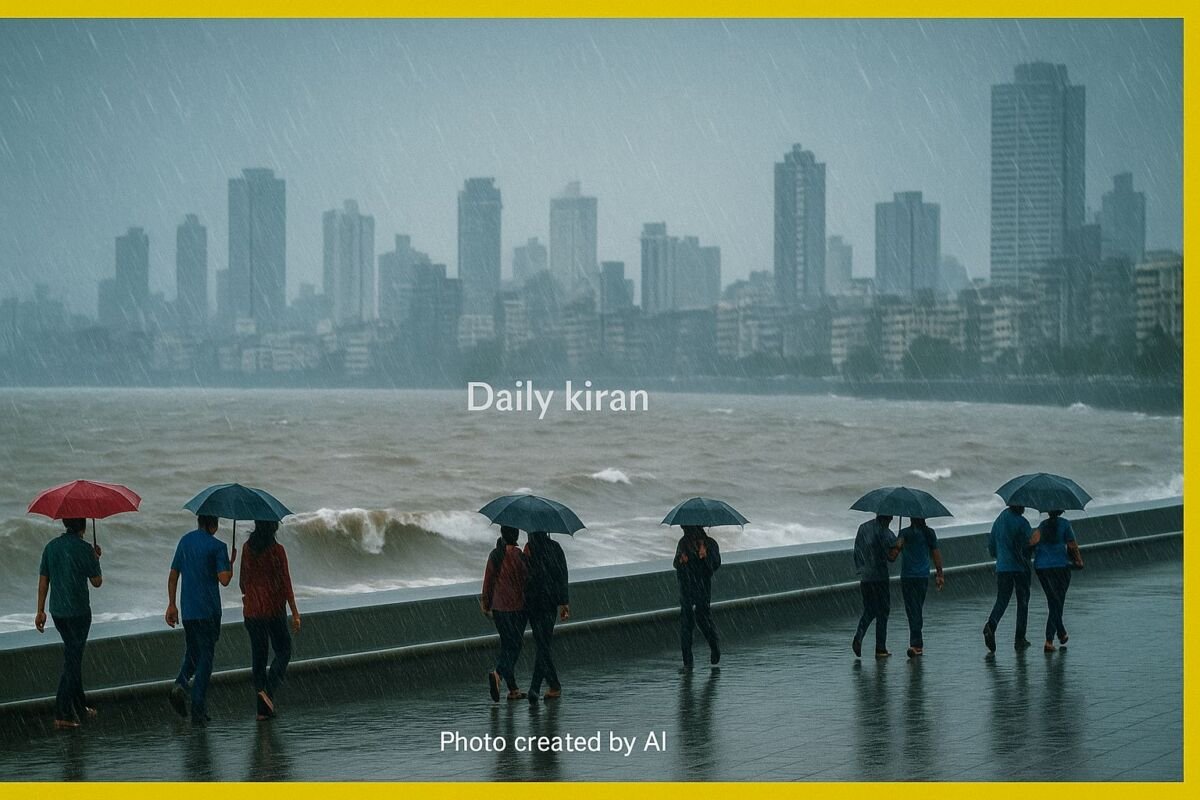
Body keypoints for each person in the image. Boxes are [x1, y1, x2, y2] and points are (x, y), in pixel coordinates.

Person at [166, 514, 234, 725]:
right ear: (214, 524)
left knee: (193, 653)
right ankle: (197, 707)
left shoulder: (185, 542)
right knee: (206, 658)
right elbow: (224, 580)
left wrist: (171, 604)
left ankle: (180, 684)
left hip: (189, 610)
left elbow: (173, 575)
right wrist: (230, 564)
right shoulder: (218, 547)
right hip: (208, 611)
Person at [35, 518, 103, 729]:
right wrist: (95, 558)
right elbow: (97, 582)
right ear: (83, 527)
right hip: (79, 613)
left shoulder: (51, 547)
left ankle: (79, 706)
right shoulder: (85, 549)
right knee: (73, 661)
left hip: (58, 612)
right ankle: (62, 713)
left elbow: (44, 580)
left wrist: (40, 611)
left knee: (73, 656)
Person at [239, 520, 301, 720]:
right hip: (273, 610)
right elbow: (286, 583)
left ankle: (262, 710)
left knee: (259, 657)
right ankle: (268, 690)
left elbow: (242, 583)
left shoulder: (247, 549)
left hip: (252, 611)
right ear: (274, 527)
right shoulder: (277, 551)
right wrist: (295, 612)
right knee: (284, 650)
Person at [480, 526, 528, 701]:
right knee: (514, 647)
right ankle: (498, 674)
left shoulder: (495, 554)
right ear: (516, 535)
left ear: (502, 534)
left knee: (507, 646)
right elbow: (526, 580)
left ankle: (513, 689)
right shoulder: (519, 555)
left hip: (499, 608)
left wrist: (486, 604)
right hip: (517, 608)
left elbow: (488, 581)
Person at [983, 504, 1037, 653]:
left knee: (1002, 600)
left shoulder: (999, 520)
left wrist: (1001, 556)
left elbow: (991, 546)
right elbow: (1028, 545)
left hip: (1003, 567)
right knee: (1023, 601)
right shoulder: (1022, 522)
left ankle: (991, 625)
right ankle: (1020, 638)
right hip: (1020, 568)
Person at [523, 530, 569, 702]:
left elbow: (524, 575)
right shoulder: (555, 548)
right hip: (549, 602)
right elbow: (562, 575)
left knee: (541, 643)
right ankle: (552, 685)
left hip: (533, 602)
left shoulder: (529, 549)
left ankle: (536, 687)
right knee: (544, 644)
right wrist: (564, 602)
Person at [890, 517, 945, 658]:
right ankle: (916, 644)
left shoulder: (904, 533)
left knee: (912, 610)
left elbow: (893, 555)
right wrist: (939, 573)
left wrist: (895, 546)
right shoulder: (929, 533)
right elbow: (935, 553)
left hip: (907, 576)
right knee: (917, 608)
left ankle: (916, 644)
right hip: (922, 576)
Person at [1033, 510, 1083, 652]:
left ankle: (1061, 632)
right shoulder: (1064, 524)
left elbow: (1032, 542)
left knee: (1053, 601)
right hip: (1060, 567)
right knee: (1057, 601)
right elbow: (1072, 545)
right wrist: (1079, 561)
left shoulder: (1042, 525)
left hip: (1042, 567)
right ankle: (1049, 640)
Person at [673, 525, 722, 669]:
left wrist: (705, 557)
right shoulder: (683, 543)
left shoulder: (710, 544)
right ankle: (687, 661)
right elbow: (676, 563)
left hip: (702, 588)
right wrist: (681, 560)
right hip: (686, 588)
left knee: (703, 618)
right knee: (686, 624)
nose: (685, 532)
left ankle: (714, 646)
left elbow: (715, 565)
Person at [852, 514, 897, 658]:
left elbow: (857, 551)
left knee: (870, 609)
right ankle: (880, 648)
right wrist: (898, 546)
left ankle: (859, 636)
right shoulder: (886, 533)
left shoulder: (863, 528)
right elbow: (891, 557)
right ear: (888, 518)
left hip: (866, 577)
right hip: (880, 577)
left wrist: (861, 569)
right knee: (883, 611)